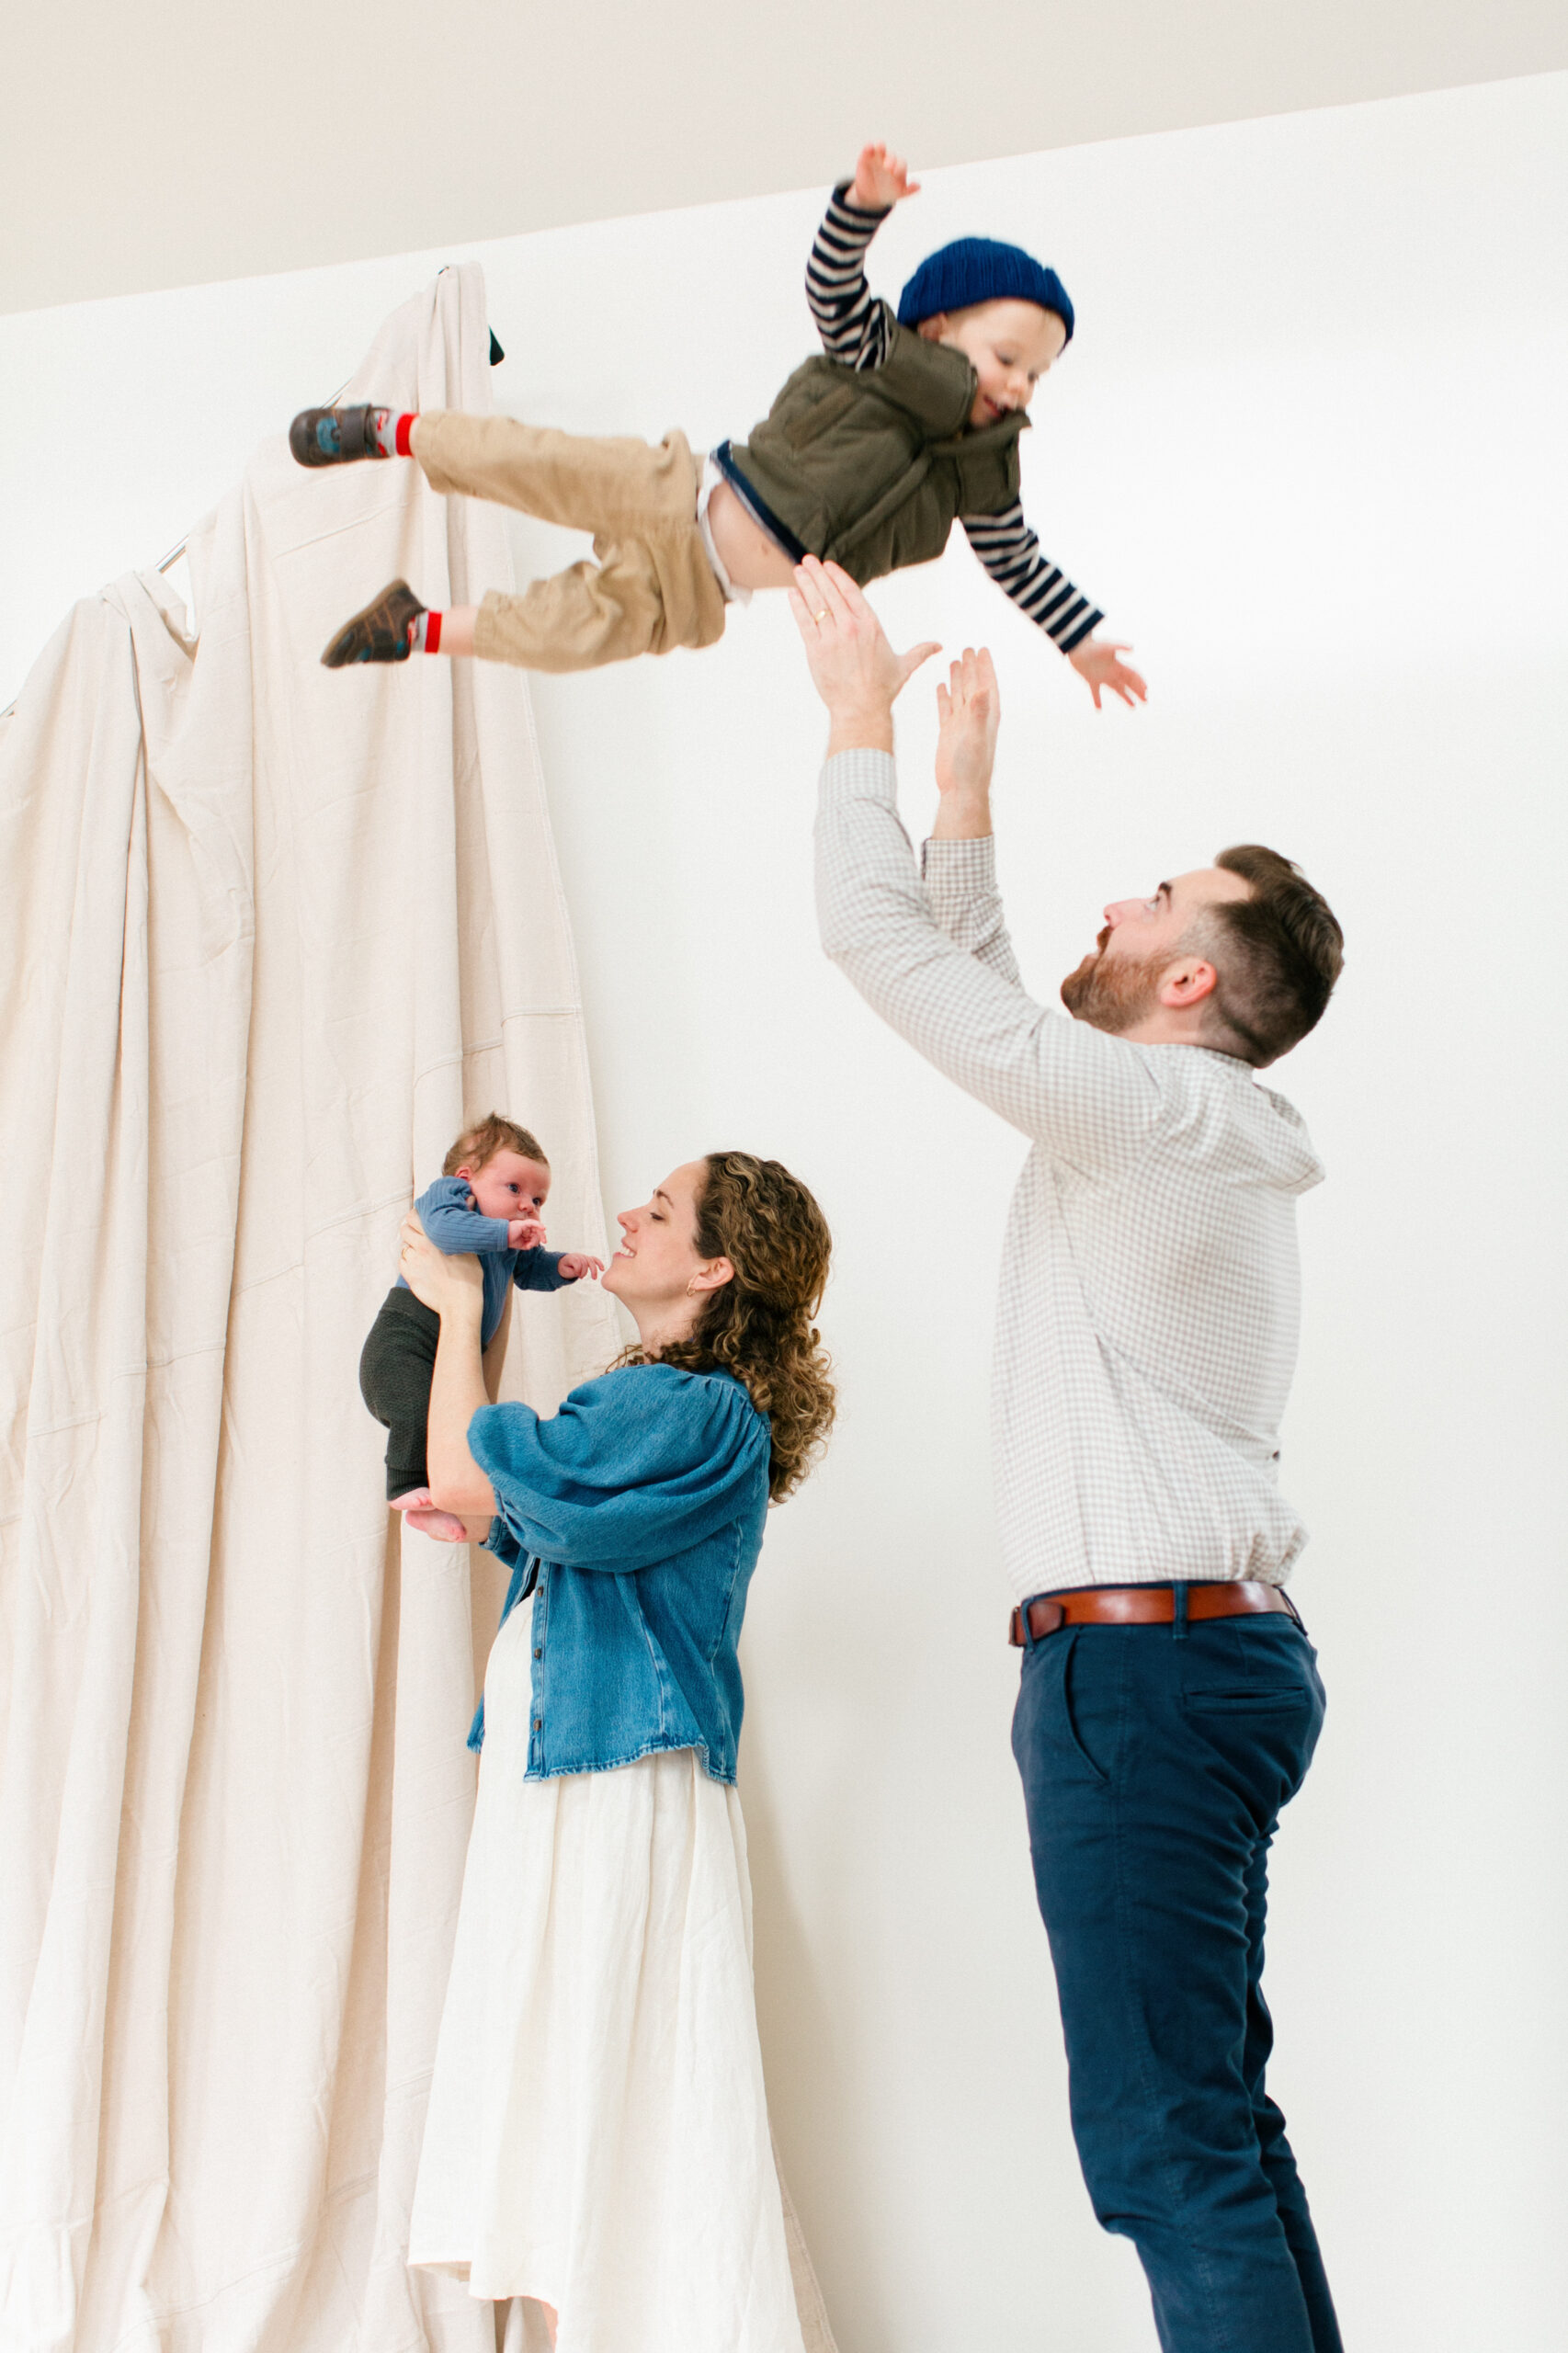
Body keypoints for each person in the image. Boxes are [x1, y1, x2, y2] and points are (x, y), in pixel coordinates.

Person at [791, 553, 1345, 2353]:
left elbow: (890, 961)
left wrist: (856, 725)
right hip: (1199, 1658)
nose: (1116, 902)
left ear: (1188, 973)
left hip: (1146, 1669)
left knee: (1164, 2145)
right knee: (1215, 2127)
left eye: (1155, 894)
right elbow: (1000, 1018)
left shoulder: (1156, 1113)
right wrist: (965, 798)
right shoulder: (1190, 1119)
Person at [397, 1150, 836, 2353]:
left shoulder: (690, 1407)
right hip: (573, 1771)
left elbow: (462, 1466)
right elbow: (511, 1505)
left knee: (599, 2073)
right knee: (574, 2076)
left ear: (715, 1264)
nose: (628, 1218)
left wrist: (449, 1309)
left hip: (611, 1777)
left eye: (661, 1209)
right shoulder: (652, 1403)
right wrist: (491, 1501)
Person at [289, 142, 1144, 711]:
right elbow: (831, 286)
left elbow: (1016, 560)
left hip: (699, 588)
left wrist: (1079, 641)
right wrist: (862, 205)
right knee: (529, 461)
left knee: (566, 639)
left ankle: (411, 627)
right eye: (1006, 355)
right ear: (937, 329)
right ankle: (389, 431)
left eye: (1037, 373)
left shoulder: (983, 477)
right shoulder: (880, 356)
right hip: (678, 491)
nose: (1019, 384)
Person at [358, 1114, 602, 1540]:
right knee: (415, 1413)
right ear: (466, 1178)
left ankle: (440, 1498)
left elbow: (528, 1271)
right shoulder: (449, 1199)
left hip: (450, 1350)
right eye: (515, 1189)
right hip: (403, 1340)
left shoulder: (506, 1240)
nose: (528, 1204)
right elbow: (444, 1232)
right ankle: (405, 1488)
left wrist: (560, 1267)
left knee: (456, 1432)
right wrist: (506, 1232)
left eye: (539, 1200)